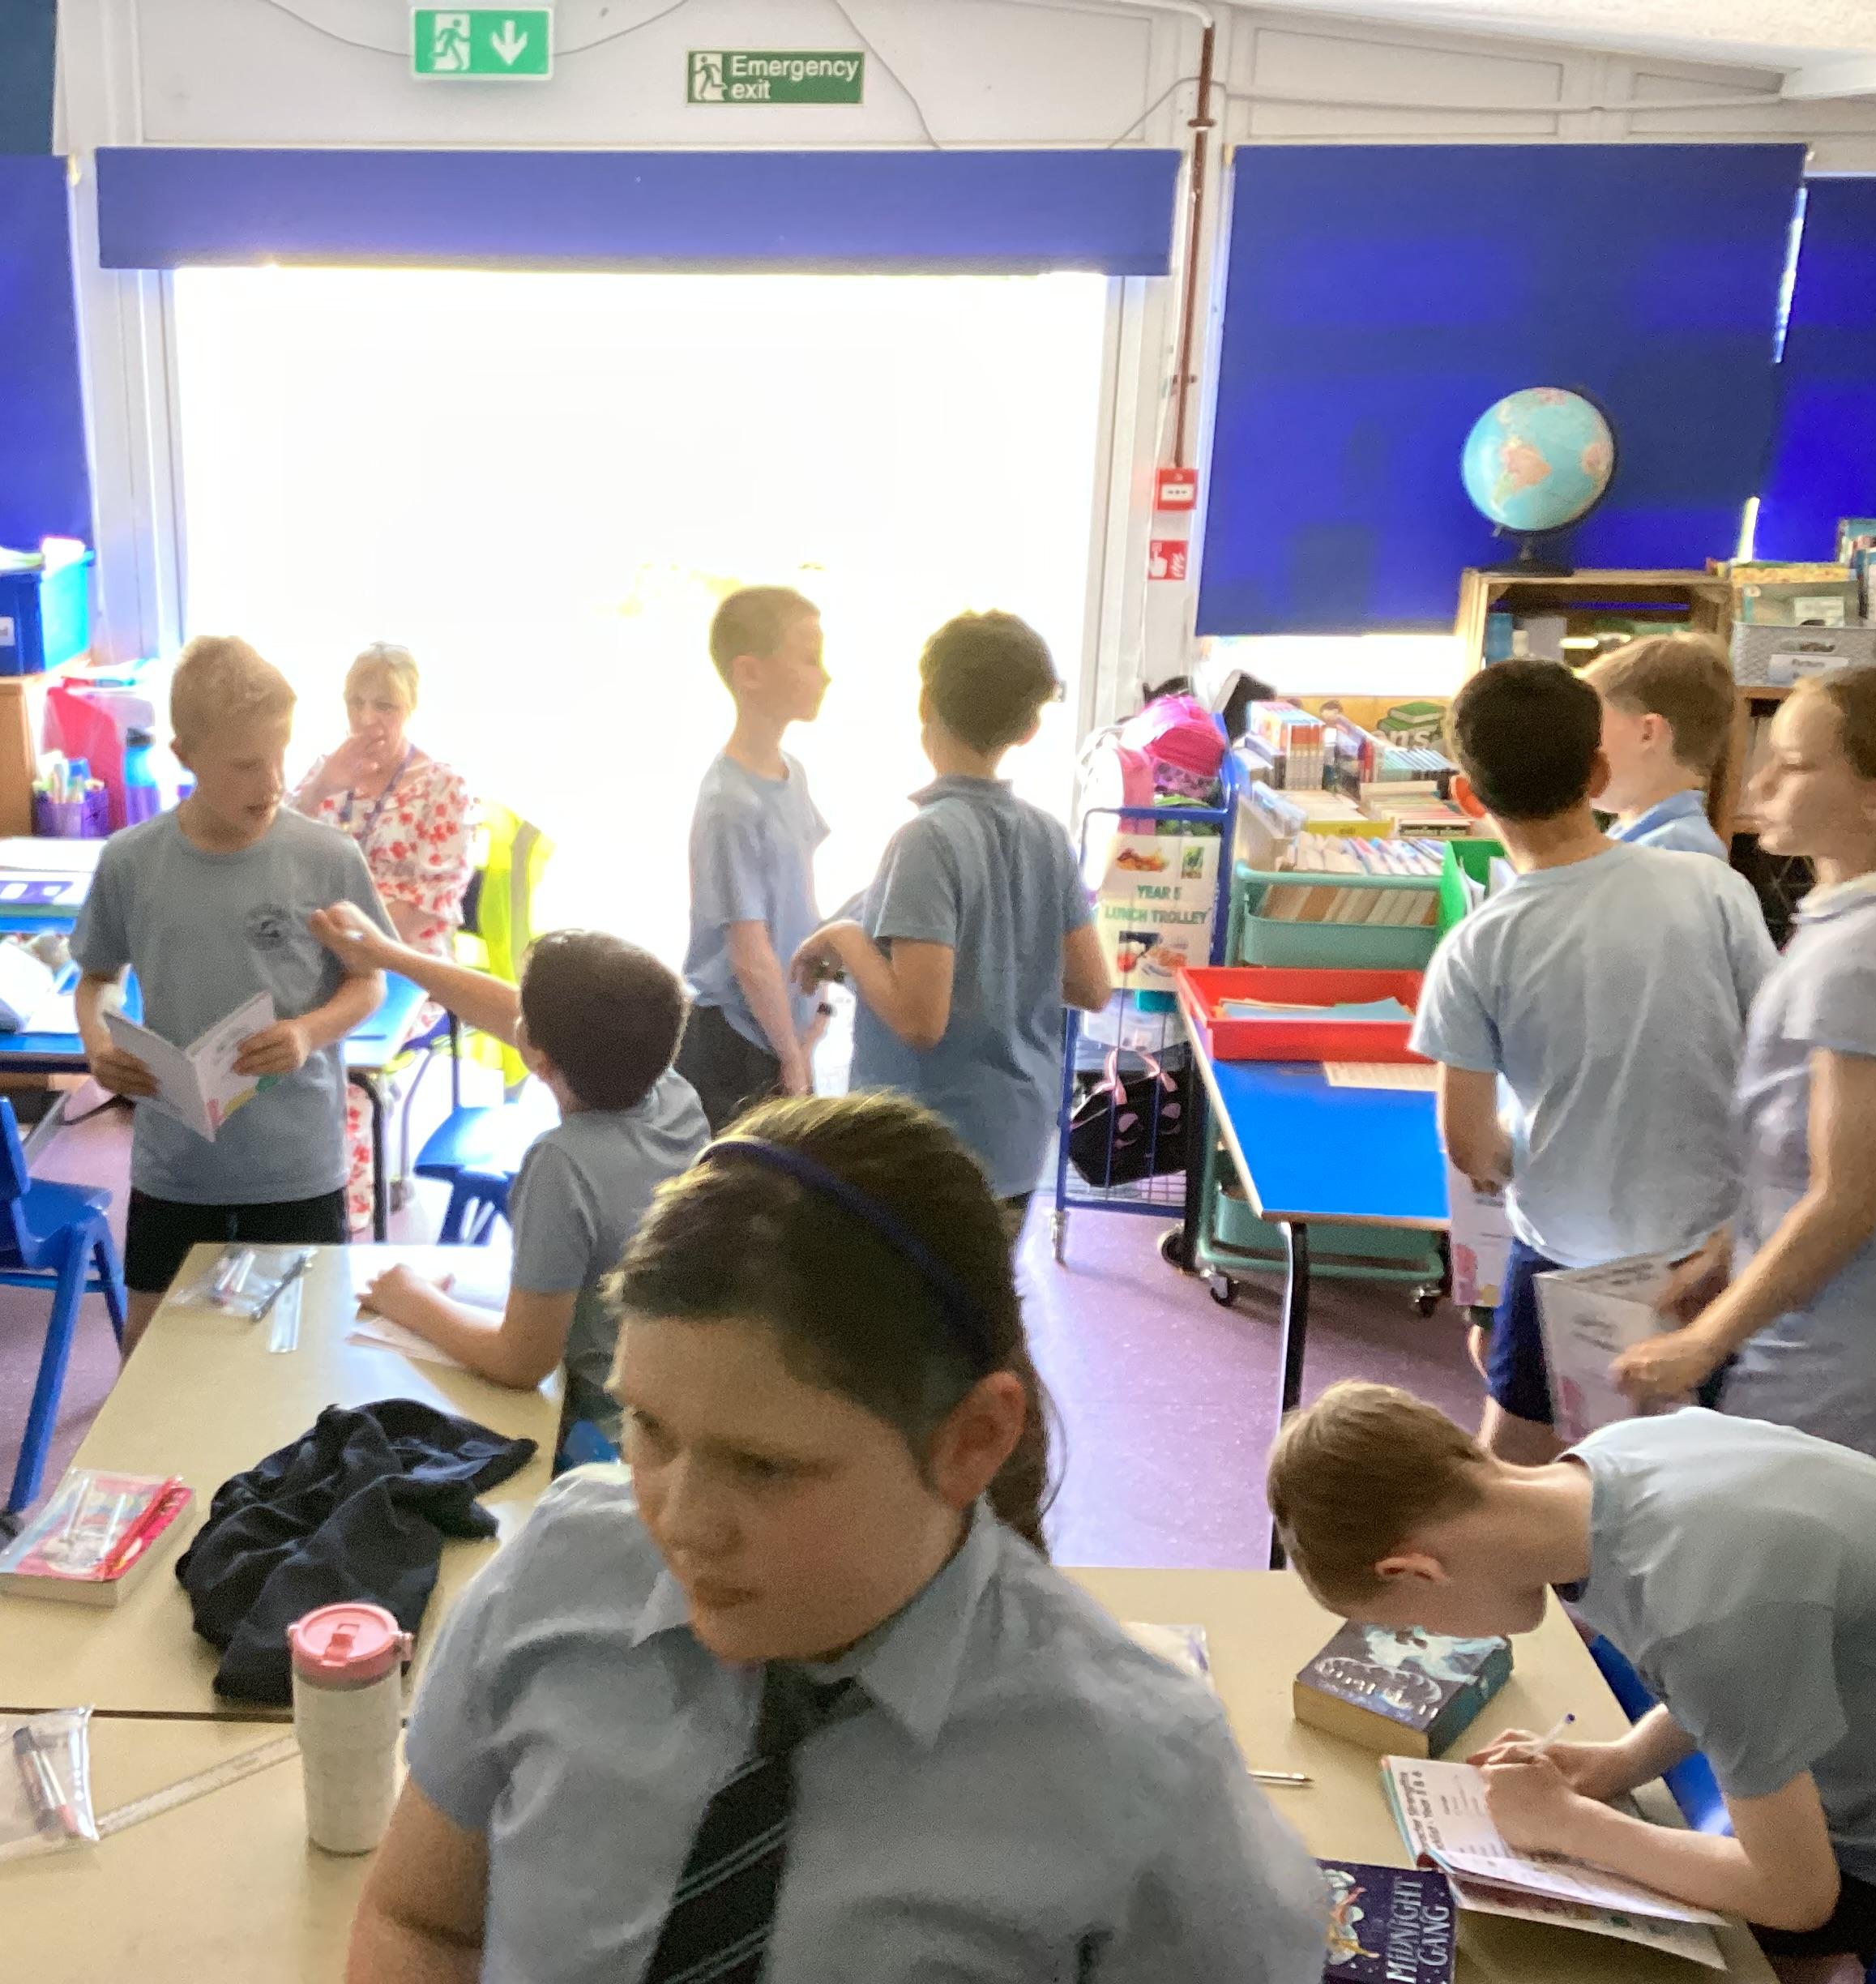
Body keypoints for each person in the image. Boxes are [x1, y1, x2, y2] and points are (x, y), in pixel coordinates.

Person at [345, 1091, 1329, 1982]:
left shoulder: (1144, 1781)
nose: (680, 1523)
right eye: (649, 1427)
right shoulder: (556, 1578)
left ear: (972, 1440)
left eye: (764, 1467)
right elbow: (421, 1920)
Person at [1269, 1381, 1876, 1984]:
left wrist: (1570, 1825)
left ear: (1415, 1571)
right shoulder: (1623, 1454)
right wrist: (1624, 1760)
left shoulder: (1701, 1611)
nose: (1432, 1638)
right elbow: (1759, 1655)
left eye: (1414, 1624)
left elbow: (1796, 1896)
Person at [1412, 661, 1772, 1465]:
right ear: (1598, 773)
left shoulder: (1475, 946)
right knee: (1699, 1463)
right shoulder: (1714, 888)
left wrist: (1522, 1155)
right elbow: (1773, 1059)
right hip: (1708, 1252)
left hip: (1564, 1258)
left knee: (1517, 1463)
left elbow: (1468, 1145)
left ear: (1467, 796)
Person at [1616, 665, 1876, 1480]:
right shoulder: (1864, 925)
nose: (1758, 785)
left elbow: (1845, 1195)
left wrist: (1705, 1341)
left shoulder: (1864, 957)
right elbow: (1795, 1147)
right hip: (1830, 1319)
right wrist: (1727, 1257)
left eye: (1792, 766)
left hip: (1840, 1351)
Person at [74, 636, 390, 1357]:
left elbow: (369, 981)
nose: (272, 781)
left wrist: (308, 1031)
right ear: (184, 755)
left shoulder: (327, 858)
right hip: (177, 1167)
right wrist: (99, 1045)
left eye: (280, 755)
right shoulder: (131, 861)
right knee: (151, 1359)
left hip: (295, 1164)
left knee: (303, 1360)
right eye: (246, 764)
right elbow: (98, 979)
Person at [309, 902, 705, 1448]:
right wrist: (389, 954)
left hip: (603, 1429)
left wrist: (410, 1298)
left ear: (540, 1060)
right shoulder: (671, 1091)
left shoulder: (562, 1164)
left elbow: (521, 1362)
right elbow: (525, 1020)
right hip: (671, 1391)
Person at [792, 611, 1112, 1224]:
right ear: (1030, 728)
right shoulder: (1047, 835)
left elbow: (919, 1021)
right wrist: (999, 974)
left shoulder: (927, 840)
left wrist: (845, 937)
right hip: (1016, 1139)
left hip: (926, 1152)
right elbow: (1092, 987)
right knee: (983, 1284)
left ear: (925, 703)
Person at [288, 643, 475, 1237]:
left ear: (411, 708)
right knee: (261, 1036)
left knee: (339, 1061)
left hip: (404, 964)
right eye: (356, 702)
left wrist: (352, 944)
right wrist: (321, 785)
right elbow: (272, 850)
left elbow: (427, 908)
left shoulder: (443, 786)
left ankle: (341, 1216)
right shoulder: (328, 773)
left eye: (385, 706)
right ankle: (278, 1193)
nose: (367, 719)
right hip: (318, 951)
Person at [677, 587, 831, 1131]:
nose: (824, 675)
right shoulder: (729, 803)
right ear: (750, 673)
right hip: (738, 1044)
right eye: (809, 659)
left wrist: (814, 1012)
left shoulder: (793, 773)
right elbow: (748, 950)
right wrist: (790, 1056)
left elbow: (800, 900)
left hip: (785, 1031)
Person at [1588, 632, 1736, 860]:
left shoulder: (1676, 851)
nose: (1580, 742)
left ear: (1647, 733)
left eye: (1592, 726)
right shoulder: (1632, 836)